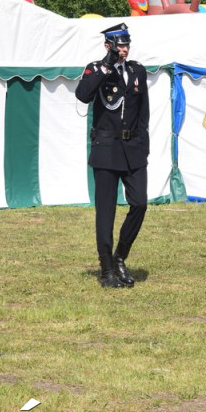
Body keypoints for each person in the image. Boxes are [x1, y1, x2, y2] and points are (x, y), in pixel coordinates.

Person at [75, 23, 148, 289]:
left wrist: (144, 147)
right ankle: (106, 269)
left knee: (139, 203)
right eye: (119, 45)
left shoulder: (137, 70)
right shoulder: (96, 69)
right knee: (105, 212)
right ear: (108, 46)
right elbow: (83, 95)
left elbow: (143, 113)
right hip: (106, 150)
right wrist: (107, 65)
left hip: (133, 150)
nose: (124, 49)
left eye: (127, 44)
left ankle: (120, 257)